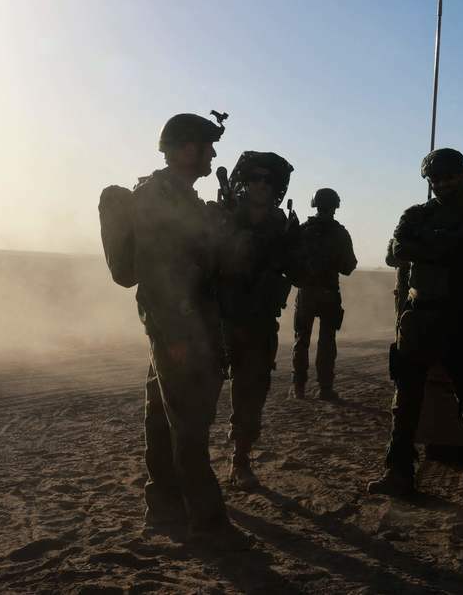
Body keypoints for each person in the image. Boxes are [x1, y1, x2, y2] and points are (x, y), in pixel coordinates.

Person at [126, 112, 242, 542]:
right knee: (190, 422)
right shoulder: (157, 198)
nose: (212, 153)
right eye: (205, 145)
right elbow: (163, 271)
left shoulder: (185, 199)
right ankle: (209, 523)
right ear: (183, 148)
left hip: (186, 322)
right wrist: (177, 332)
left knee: (162, 416)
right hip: (177, 324)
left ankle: (163, 506)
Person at [367, 148, 463, 505]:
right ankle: (398, 473)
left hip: (460, 317)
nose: (443, 184)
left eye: (450, 176)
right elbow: (395, 252)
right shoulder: (416, 214)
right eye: (437, 178)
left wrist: (425, 248)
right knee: (406, 401)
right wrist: (445, 248)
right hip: (420, 315)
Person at [217, 151, 301, 490]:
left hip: (259, 319)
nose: (261, 186)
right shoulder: (223, 216)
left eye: (268, 180)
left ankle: (240, 458)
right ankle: (188, 467)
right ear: (244, 181)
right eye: (255, 178)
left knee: (252, 390)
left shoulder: (283, 225)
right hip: (219, 316)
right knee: (199, 392)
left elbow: (297, 269)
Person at [291, 188, 358, 400]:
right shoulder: (340, 233)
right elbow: (348, 267)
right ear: (335, 206)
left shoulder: (302, 231)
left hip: (306, 293)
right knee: (327, 341)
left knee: (301, 340)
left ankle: (298, 387)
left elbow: (290, 260)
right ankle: (325, 388)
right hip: (329, 292)